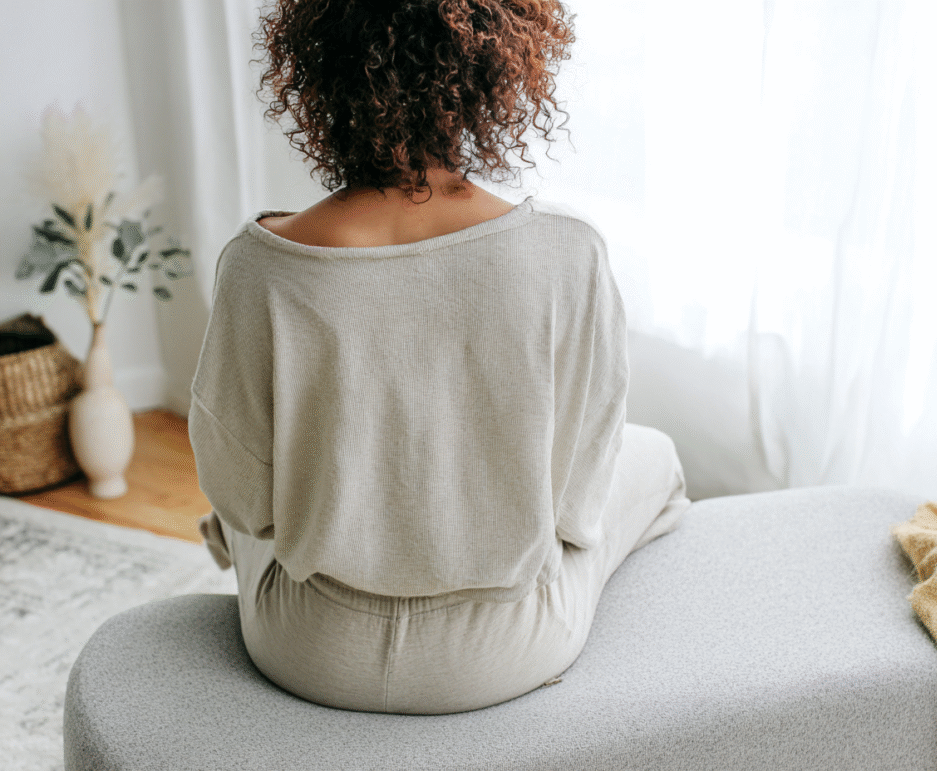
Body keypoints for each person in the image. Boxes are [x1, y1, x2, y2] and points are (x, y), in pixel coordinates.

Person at [190, 0, 691, 715]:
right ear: (500, 69)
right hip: (508, 650)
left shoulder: (260, 264)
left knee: (243, 514)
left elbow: (240, 497)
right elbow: (576, 510)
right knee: (656, 459)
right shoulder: (568, 253)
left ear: (318, 70)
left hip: (309, 647)